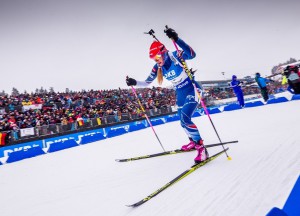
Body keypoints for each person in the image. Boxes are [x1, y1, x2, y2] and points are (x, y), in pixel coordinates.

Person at [126, 27, 208, 163]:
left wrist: (176, 39)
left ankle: (202, 148)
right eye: (153, 58)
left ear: (163, 52)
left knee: (186, 118)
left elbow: (192, 54)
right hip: (180, 92)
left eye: (157, 56)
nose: (156, 60)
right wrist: (134, 82)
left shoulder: (175, 56)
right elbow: (147, 82)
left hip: (191, 88)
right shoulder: (157, 67)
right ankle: (193, 141)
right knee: (182, 121)